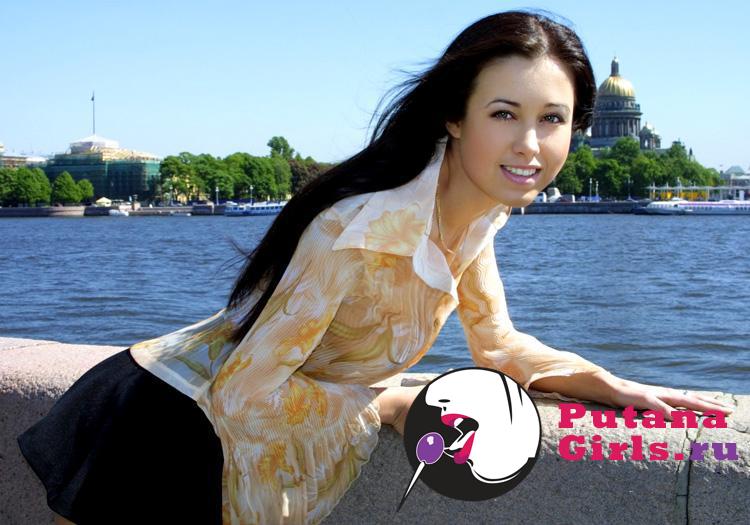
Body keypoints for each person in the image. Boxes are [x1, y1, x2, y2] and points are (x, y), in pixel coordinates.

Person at [18, 10, 734, 525]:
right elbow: (244, 393)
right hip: (168, 424)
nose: (530, 143)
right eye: (504, 114)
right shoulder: (360, 230)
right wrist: (384, 405)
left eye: (552, 119)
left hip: (208, 428)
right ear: (454, 117)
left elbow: (498, 346)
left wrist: (607, 383)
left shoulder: (471, 220)